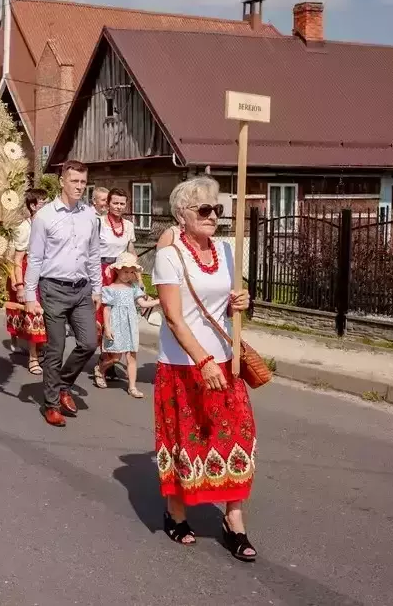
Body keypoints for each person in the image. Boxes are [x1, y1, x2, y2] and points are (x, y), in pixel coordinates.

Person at [151, 175, 256, 561]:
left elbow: (228, 306)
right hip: (183, 364)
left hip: (225, 361)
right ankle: (176, 513)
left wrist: (241, 302)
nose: (214, 216)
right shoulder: (169, 255)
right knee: (186, 439)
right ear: (183, 214)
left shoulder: (227, 251)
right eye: (205, 210)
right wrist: (202, 360)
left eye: (218, 210)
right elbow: (175, 319)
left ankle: (235, 521)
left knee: (237, 437)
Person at [24, 160, 101, 427]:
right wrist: (30, 297)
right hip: (53, 288)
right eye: (74, 181)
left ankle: (64, 384)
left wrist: (97, 287)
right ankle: (51, 404)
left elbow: (94, 254)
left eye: (83, 182)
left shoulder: (90, 215)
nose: (79, 187)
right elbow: (34, 258)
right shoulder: (45, 217)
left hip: (81, 289)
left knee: (89, 343)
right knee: (55, 349)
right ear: (62, 182)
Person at [94, 187, 138, 388]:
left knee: (118, 319)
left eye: (122, 203)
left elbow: (130, 250)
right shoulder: (99, 222)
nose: (119, 207)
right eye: (115, 203)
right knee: (103, 319)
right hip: (102, 271)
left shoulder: (128, 225)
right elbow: (91, 250)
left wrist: (135, 276)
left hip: (120, 272)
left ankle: (109, 361)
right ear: (108, 203)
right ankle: (103, 362)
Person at [100, 252, 159, 398]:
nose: (128, 275)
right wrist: (107, 328)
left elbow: (143, 303)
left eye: (132, 272)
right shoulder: (110, 289)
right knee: (115, 358)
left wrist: (159, 301)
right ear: (117, 270)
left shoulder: (133, 288)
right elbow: (106, 309)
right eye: (125, 271)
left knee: (131, 356)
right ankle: (101, 369)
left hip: (130, 324)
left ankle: (132, 387)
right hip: (116, 324)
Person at [5, 188, 48, 374]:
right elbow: (16, 259)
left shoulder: (49, 223)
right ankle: (33, 357)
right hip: (29, 271)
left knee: (46, 315)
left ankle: (40, 348)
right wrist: (20, 285)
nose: (47, 206)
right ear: (32, 206)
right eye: (43, 203)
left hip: (46, 274)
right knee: (33, 314)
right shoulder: (24, 228)